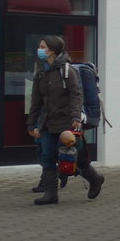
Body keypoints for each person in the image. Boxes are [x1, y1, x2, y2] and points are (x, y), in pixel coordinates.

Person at [27, 35, 102, 204]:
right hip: (47, 122)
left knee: (73, 159)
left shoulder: (67, 70)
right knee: (47, 156)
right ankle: (51, 194)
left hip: (66, 122)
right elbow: (36, 100)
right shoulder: (41, 72)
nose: (40, 50)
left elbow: (76, 95)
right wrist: (31, 123)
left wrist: (75, 116)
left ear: (53, 50)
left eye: (43, 46)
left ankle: (95, 179)